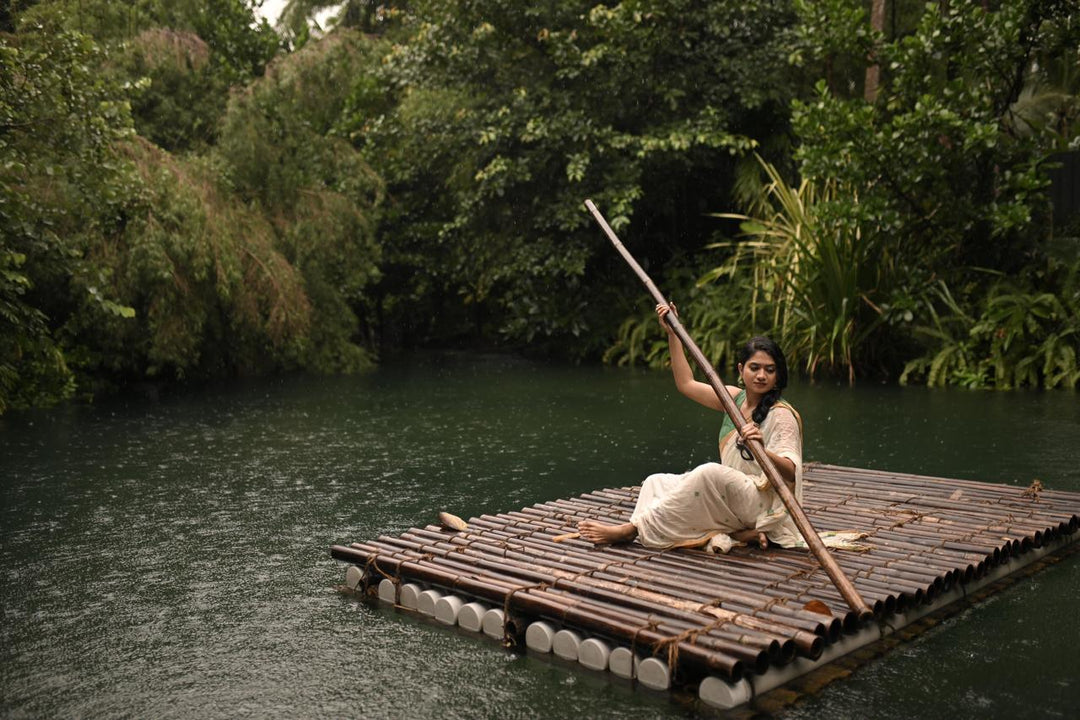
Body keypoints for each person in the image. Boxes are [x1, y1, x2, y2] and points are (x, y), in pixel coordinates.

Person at [577, 303, 805, 553]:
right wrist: (673, 333)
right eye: (755, 368)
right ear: (741, 370)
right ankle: (740, 533)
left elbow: (791, 472)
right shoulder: (732, 399)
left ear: (777, 376)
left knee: (709, 473)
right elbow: (685, 383)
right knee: (655, 482)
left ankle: (631, 530)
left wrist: (763, 449)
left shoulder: (782, 415)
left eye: (769, 370)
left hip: (762, 503)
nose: (761, 375)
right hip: (733, 498)